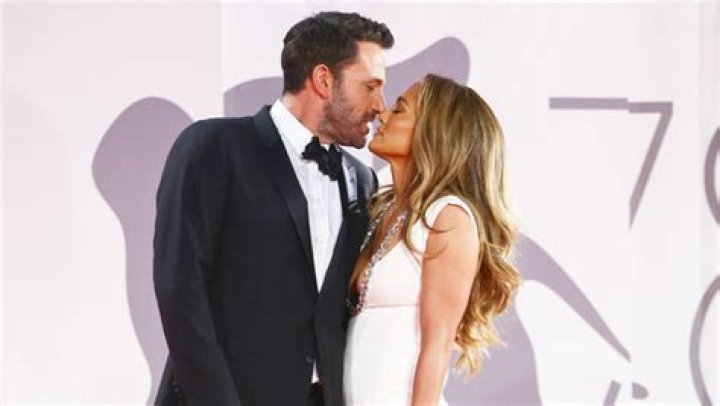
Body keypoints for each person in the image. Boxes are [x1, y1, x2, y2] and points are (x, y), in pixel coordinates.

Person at [153, 12, 393, 405]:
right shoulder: (215, 147)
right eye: (370, 86)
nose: (380, 106)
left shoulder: (360, 179)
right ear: (323, 80)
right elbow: (179, 287)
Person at [343, 74, 521, 405]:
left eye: (399, 110)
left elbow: (437, 346)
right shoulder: (378, 209)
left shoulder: (448, 218)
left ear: (433, 132)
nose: (383, 114)